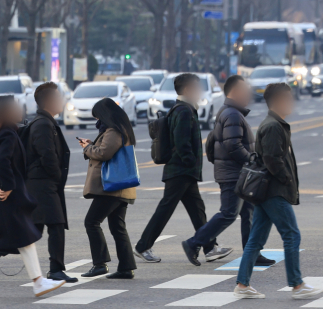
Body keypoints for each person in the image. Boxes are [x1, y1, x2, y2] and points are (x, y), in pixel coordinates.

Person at [0, 95, 65, 299]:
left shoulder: (2, 131)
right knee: (22, 235)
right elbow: (2, 162)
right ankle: (37, 282)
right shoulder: (8, 133)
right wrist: (8, 187)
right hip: (2, 196)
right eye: (16, 107)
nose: (21, 110)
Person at [233, 83, 322, 300]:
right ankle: (297, 285)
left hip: (267, 191)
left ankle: (243, 285)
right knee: (291, 234)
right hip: (274, 191)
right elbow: (272, 159)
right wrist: (286, 178)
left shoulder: (276, 123)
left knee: (256, 238)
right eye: (287, 98)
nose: (291, 102)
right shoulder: (273, 126)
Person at [182, 75, 274, 267]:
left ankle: (253, 253)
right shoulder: (232, 114)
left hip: (237, 173)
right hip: (235, 174)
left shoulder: (230, 112)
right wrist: (251, 160)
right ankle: (194, 243)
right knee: (229, 213)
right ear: (234, 92)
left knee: (248, 213)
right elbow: (233, 145)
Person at [134, 73, 217, 263]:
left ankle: (210, 247)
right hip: (180, 170)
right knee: (166, 209)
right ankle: (143, 245)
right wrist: (189, 162)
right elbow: (181, 142)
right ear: (188, 89)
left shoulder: (180, 108)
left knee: (197, 209)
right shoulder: (184, 110)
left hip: (182, 170)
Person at [78, 98, 138, 279]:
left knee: (92, 222)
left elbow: (104, 153)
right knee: (117, 227)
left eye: (98, 117)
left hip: (111, 187)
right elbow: (104, 149)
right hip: (119, 187)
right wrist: (91, 145)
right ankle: (126, 268)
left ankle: (100, 264)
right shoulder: (119, 129)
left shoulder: (114, 131)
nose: (97, 121)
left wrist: (88, 147)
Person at [23, 82, 76, 283]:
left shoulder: (46, 122)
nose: (61, 101)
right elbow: (47, 154)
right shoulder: (43, 124)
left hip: (45, 183)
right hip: (42, 184)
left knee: (34, 228)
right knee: (56, 224)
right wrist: (55, 175)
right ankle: (56, 269)